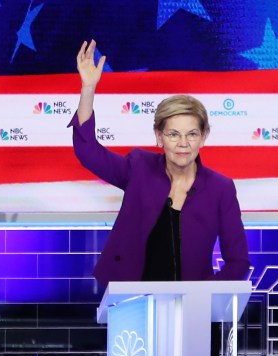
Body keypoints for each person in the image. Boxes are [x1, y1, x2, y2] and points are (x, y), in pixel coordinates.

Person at [69, 40, 250, 287]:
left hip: (191, 305)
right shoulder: (139, 168)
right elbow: (88, 151)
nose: (183, 143)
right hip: (131, 298)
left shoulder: (221, 188)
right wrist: (88, 88)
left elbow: (238, 262)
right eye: (174, 134)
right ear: (159, 137)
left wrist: (205, 296)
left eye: (192, 134)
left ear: (204, 137)